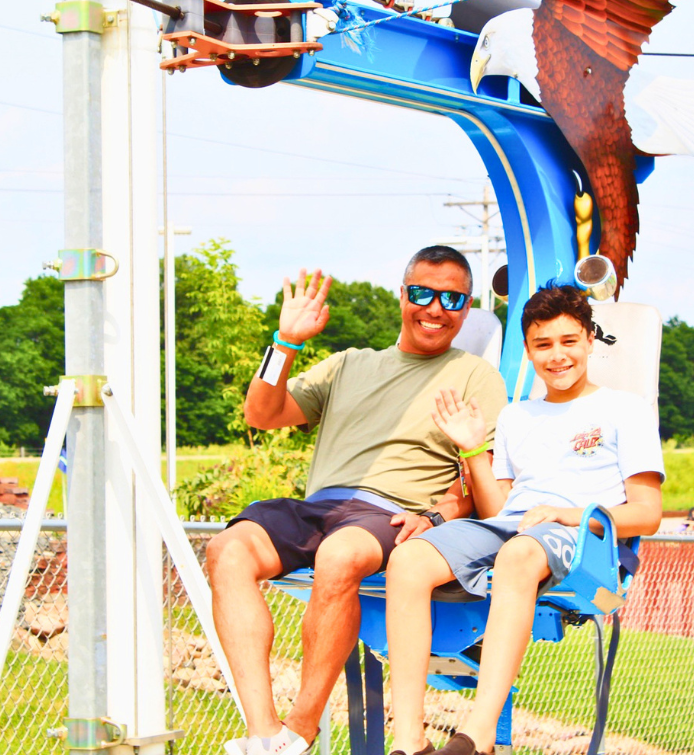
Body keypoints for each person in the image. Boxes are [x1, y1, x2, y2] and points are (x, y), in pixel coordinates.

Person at [206, 246, 508, 755]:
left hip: (387, 510)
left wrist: (436, 515)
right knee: (227, 551)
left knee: (340, 554)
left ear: (467, 306)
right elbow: (262, 414)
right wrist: (284, 343)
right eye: (422, 293)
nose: (435, 308)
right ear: (402, 295)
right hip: (321, 504)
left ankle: (302, 727)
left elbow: (485, 477)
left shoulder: (476, 376)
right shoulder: (350, 364)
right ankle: (266, 735)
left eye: (452, 299)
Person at [386, 283, 664, 755]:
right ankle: (410, 739)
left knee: (519, 553)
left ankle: (474, 735)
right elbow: (499, 512)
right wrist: (473, 447)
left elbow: (647, 513)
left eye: (568, 341)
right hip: (517, 525)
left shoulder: (624, 410)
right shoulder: (516, 416)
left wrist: (566, 514)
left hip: (580, 534)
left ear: (589, 340)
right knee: (408, 560)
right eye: (543, 345)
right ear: (529, 351)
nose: (557, 356)